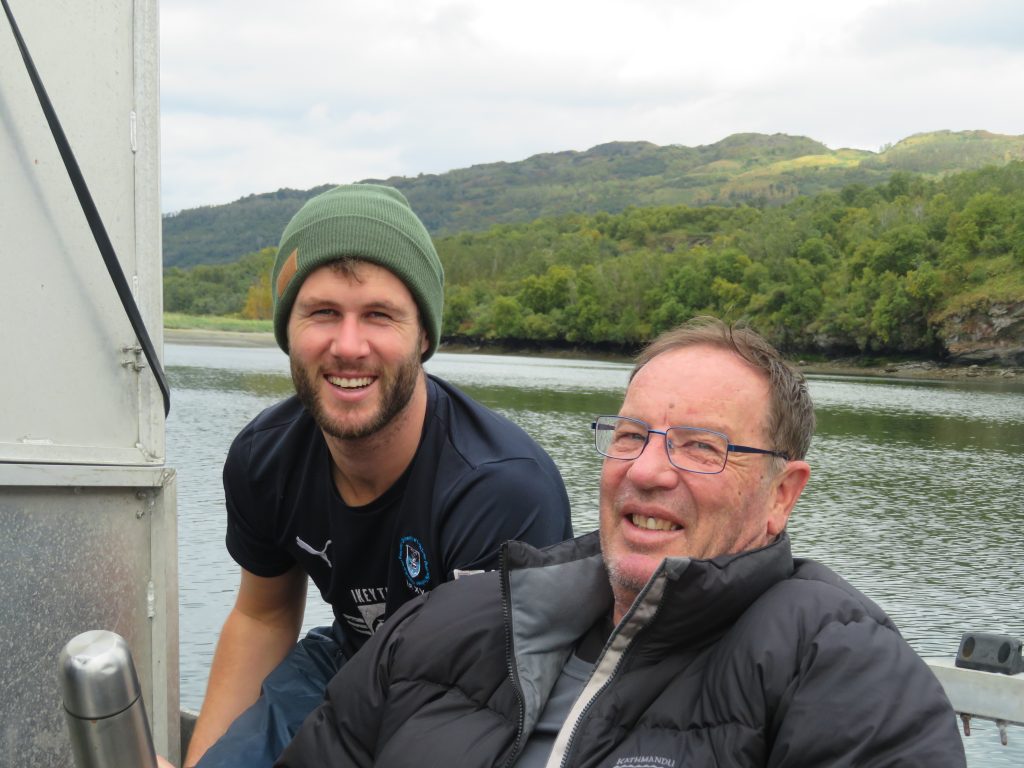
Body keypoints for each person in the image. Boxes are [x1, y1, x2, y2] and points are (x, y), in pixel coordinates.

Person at [276, 316, 966, 768]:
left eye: (702, 446)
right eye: (631, 436)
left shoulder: (842, 668)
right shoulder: (444, 624)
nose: (646, 470)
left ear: (782, 493)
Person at [185, 184, 573, 768]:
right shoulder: (264, 458)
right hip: (349, 656)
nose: (347, 345)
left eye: (378, 315)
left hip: (486, 702)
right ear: (287, 330)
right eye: (321, 313)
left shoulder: (499, 491)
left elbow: (475, 714)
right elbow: (261, 616)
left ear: (423, 336)